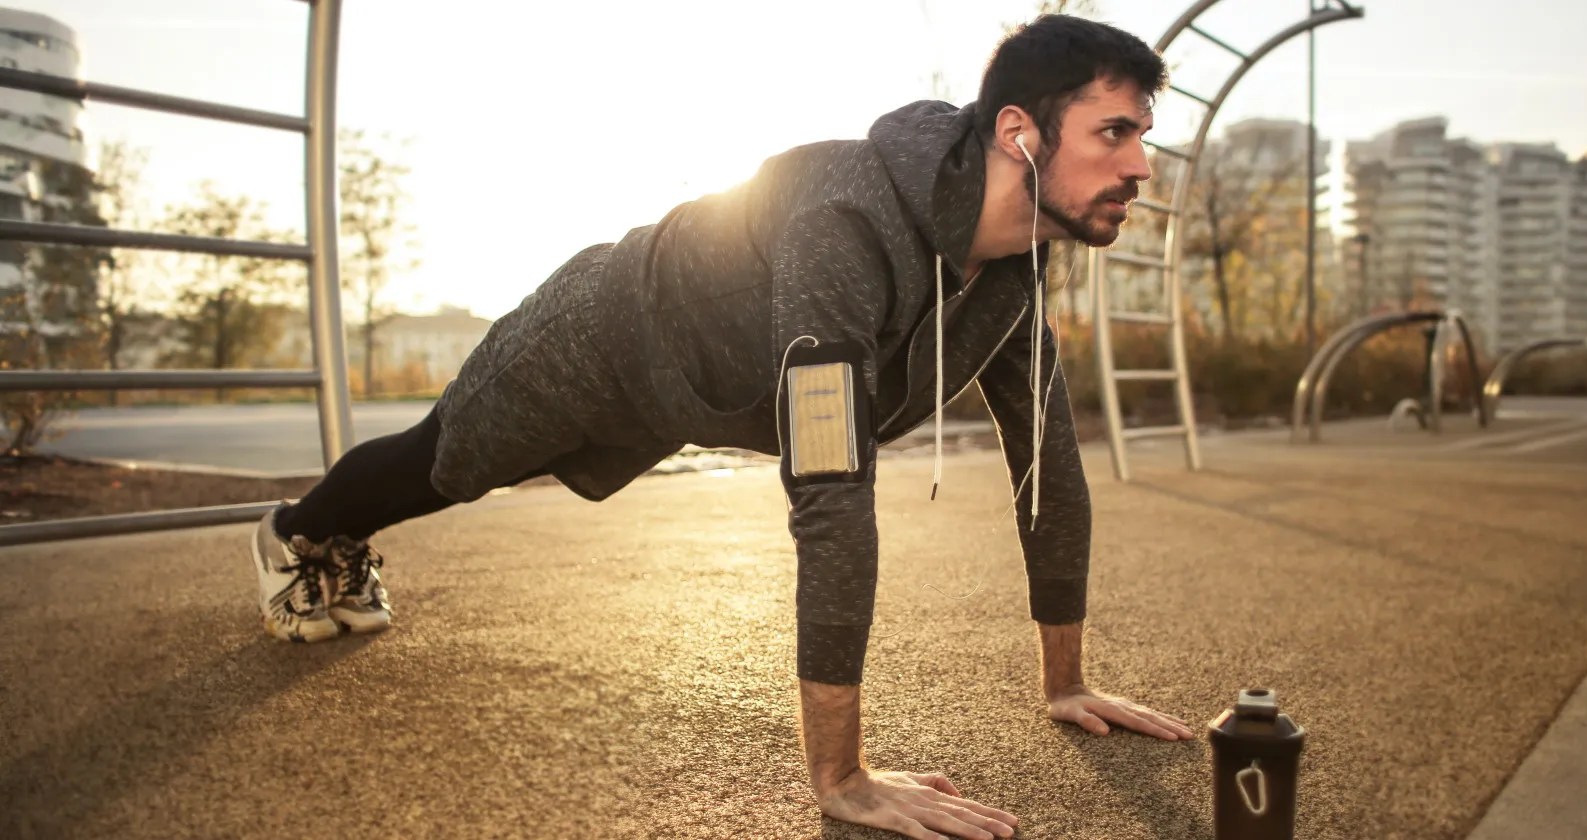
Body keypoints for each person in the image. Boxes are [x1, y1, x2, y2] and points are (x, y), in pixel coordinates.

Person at [250, 14, 1196, 839]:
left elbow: (1051, 466)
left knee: (453, 466)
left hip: (707, 387)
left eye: (1144, 136)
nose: (1140, 166)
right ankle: (300, 531)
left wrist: (1065, 681)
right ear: (1019, 133)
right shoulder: (845, 221)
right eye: (1113, 132)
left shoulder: (1019, 274)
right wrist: (842, 777)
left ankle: (329, 536)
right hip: (603, 333)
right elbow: (830, 487)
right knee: (445, 465)